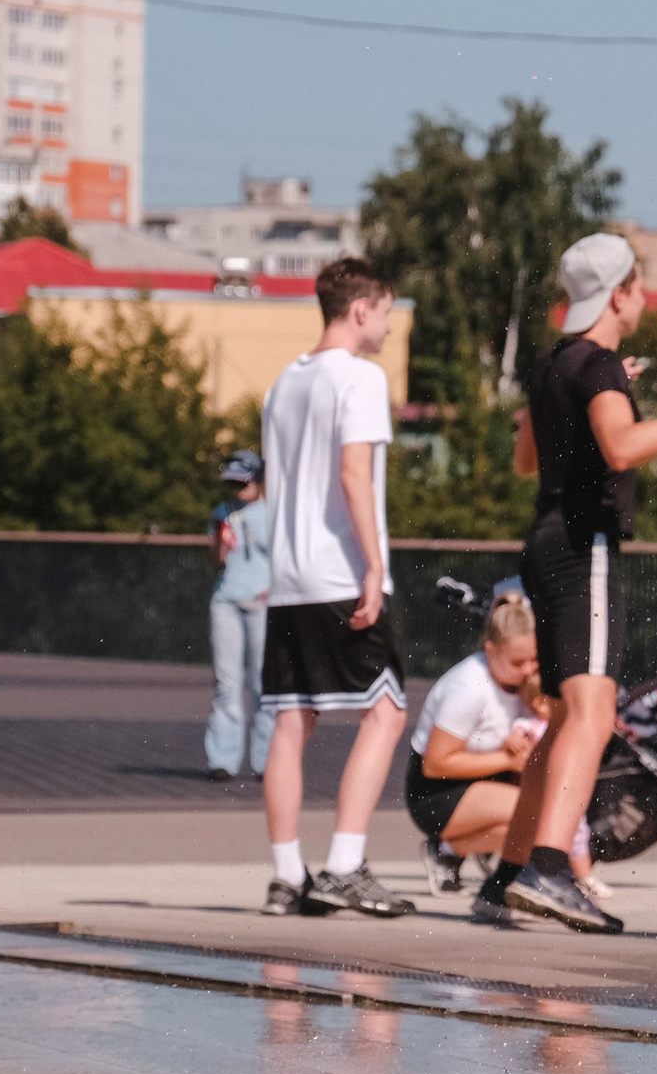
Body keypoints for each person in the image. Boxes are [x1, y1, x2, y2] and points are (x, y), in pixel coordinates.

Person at [481, 232, 657, 932]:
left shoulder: (555, 366)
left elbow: (527, 457)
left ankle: (509, 874)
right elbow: (621, 446)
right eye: (639, 288)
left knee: (563, 722)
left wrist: (608, 398)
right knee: (592, 711)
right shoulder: (599, 364)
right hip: (586, 548)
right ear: (620, 294)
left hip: (544, 542)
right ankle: (552, 866)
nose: (641, 299)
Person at [256, 259, 415, 917]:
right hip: (338, 571)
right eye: (385, 311)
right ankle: (345, 863)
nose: (387, 323)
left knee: (292, 721)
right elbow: (355, 474)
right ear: (359, 310)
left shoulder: (282, 385)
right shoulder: (360, 377)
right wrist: (373, 566)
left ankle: (287, 876)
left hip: (288, 574)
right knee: (388, 708)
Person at [409, 592, 543, 893]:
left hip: (487, 779)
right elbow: (435, 764)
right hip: (436, 793)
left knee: (540, 815)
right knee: (538, 814)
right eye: (517, 662)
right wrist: (508, 761)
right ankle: (450, 850)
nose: (528, 670)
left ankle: (449, 852)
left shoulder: (524, 680)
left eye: (534, 660)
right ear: (490, 650)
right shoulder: (468, 687)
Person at [204, 450, 273, 782]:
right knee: (226, 684)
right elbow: (217, 562)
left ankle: (266, 762)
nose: (237, 490)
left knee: (263, 683)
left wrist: (276, 588)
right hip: (226, 600)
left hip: (262, 604)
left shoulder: (275, 513)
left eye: (242, 483)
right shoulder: (223, 512)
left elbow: (289, 561)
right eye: (232, 484)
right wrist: (219, 537)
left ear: (257, 480)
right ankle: (222, 760)